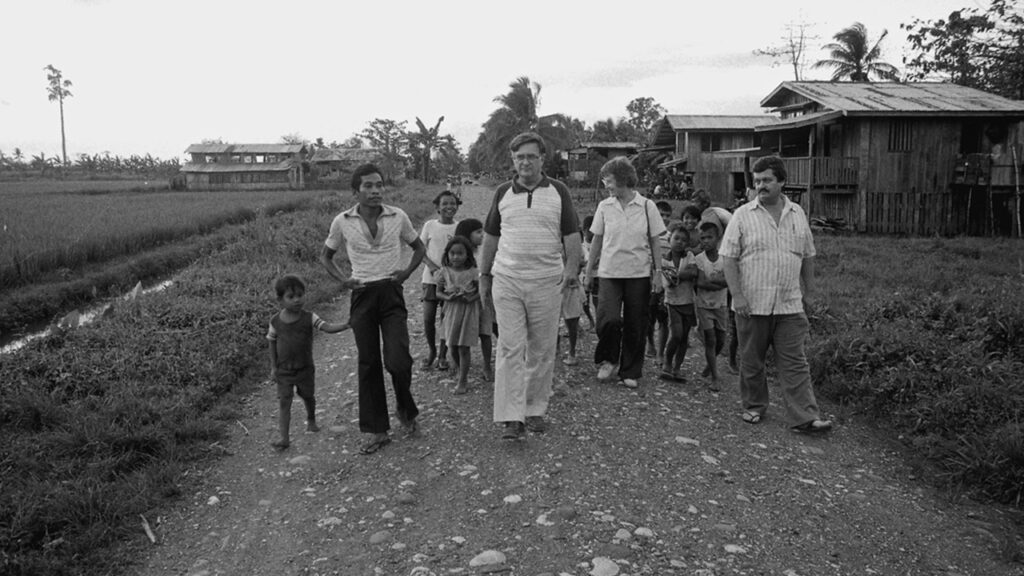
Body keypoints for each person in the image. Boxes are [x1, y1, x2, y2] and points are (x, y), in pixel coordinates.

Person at [479, 132, 582, 440]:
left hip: (547, 282)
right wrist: (484, 276)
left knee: (541, 348)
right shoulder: (502, 193)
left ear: (542, 159)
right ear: (513, 160)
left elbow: (572, 236)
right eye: (519, 156)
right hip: (507, 280)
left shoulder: (559, 191)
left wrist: (571, 270)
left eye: (531, 156)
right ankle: (512, 417)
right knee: (510, 347)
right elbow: (490, 238)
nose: (525, 161)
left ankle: (535, 408)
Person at [320, 163, 427, 455]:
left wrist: (406, 273)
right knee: (368, 364)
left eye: (379, 184)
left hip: (391, 295)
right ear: (356, 191)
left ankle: (406, 409)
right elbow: (326, 256)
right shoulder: (342, 221)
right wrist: (345, 281)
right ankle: (377, 430)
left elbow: (419, 248)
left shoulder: (398, 216)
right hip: (362, 296)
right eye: (368, 186)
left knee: (399, 360)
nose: (375, 190)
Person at [721, 155, 832, 432]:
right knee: (752, 359)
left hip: (789, 303)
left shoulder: (798, 214)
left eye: (767, 180)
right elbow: (728, 258)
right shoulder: (742, 215)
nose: (761, 185)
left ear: (782, 181)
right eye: (757, 181)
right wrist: (738, 295)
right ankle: (754, 406)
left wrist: (810, 292)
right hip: (752, 302)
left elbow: (808, 255)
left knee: (795, 361)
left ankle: (805, 416)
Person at [584, 156, 666, 390]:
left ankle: (630, 370)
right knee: (608, 319)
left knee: (635, 323)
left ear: (622, 179)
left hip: (638, 274)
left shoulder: (647, 206)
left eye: (608, 181)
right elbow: (596, 241)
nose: (606, 186)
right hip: (609, 272)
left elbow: (655, 241)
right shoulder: (604, 206)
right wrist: (589, 273)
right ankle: (608, 359)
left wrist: (658, 272)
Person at [266, 274, 350, 450]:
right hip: (284, 371)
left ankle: (311, 418)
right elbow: (272, 342)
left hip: (305, 369)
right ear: (280, 300)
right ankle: (284, 438)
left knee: (308, 396)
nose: (297, 300)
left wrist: (345, 325)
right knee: (284, 401)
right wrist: (273, 367)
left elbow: (326, 327)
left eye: (300, 295)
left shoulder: (309, 317)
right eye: (291, 297)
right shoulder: (275, 321)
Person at [419, 191, 461, 370]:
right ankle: (431, 350)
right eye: (445, 204)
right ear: (437, 207)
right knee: (428, 318)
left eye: (453, 203)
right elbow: (419, 250)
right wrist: (432, 267)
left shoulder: (459, 227)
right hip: (430, 279)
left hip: (451, 282)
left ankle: (443, 355)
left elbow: (463, 253)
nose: (449, 207)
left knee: (446, 319)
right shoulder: (429, 225)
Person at [436, 236, 480, 395]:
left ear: (467, 255)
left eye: (460, 253)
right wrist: (448, 297)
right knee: (452, 345)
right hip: (451, 311)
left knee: (463, 347)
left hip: (468, 312)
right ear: (447, 254)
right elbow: (438, 293)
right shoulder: (444, 272)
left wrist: (470, 298)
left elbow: (480, 292)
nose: (456, 257)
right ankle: (461, 370)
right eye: (452, 253)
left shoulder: (474, 272)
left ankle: (463, 380)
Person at [454, 218, 493, 381]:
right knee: (458, 335)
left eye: (482, 231)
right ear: (467, 235)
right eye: (478, 232)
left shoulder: (484, 251)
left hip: (482, 298)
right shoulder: (459, 255)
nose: (482, 235)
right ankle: (459, 366)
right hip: (463, 301)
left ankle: (487, 366)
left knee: (485, 333)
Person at [659, 223, 698, 382]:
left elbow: (693, 272)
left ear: (687, 243)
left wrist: (677, 274)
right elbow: (666, 282)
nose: (680, 242)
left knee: (684, 338)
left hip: (687, 302)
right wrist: (681, 275)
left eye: (684, 240)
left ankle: (677, 368)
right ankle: (667, 363)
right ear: (669, 239)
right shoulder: (664, 260)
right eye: (676, 238)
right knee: (676, 334)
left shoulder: (689, 257)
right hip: (673, 302)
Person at [694, 221, 729, 391]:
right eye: (702, 238)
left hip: (721, 305)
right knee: (711, 340)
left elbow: (729, 280)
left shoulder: (725, 258)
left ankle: (711, 363)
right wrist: (720, 282)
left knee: (721, 341)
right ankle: (715, 376)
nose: (706, 241)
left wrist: (713, 281)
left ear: (718, 238)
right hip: (703, 305)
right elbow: (700, 283)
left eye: (710, 237)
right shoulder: (699, 259)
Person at [647, 200, 675, 363]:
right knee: (649, 318)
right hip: (649, 282)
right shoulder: (647, 235)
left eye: (667, 215)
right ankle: (650, 343)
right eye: (660, 214)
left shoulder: (671, 238)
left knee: (664, 319)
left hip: (665, 285)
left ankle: (660, 352)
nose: (663, 218)